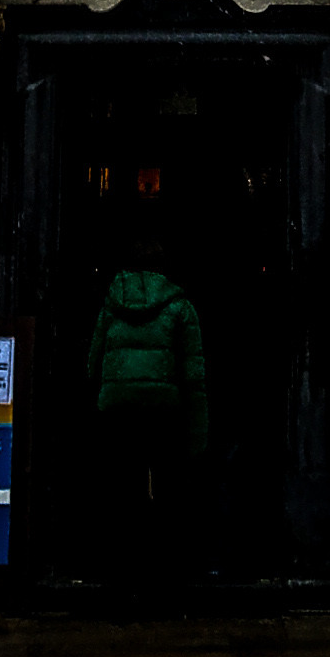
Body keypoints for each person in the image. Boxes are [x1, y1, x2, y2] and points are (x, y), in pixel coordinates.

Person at [87, 249, 207, 585]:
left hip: (118, 410)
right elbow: (193, 371)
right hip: (163, 411)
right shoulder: (180, 307)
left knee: (123, 491)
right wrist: (198, 430)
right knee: (169, 492)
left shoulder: (112, 303)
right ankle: (165, 575)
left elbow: (93, 361)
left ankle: (124, 576)